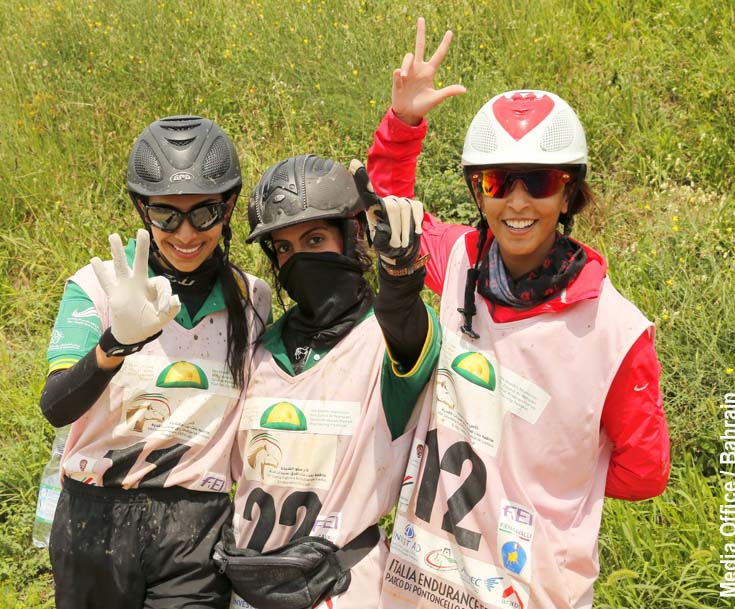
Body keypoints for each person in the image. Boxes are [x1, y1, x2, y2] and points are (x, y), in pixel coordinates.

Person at [365, 18, 671, 609]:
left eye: (540, 181)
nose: (519, 201)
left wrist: (546, 482)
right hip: (424, 579)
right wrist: (403, 126)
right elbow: (391, 216)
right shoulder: (460, 260)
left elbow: (646, 470)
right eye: (498, 181)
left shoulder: (615, 332)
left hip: (532, 591)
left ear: (569, 192)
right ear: (478, 192)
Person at [39, 115, 272, 609]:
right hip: (94, 519)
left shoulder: (252, 298)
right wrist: (114, 344)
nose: (185, 233)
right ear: (141, 209)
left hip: (195, 527)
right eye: (166, 215)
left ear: (228, 206)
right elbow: (57, 407)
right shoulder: (97, 285)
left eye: (204, 214)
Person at [213, 154, 441, 609]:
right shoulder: (262, 347)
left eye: (315, 239)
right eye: (284, 248)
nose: (299, 259)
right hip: (248, 588)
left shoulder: (387, 340)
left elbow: (409, 333)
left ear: (351, 235)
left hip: (342, 586)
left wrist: (398, 278)